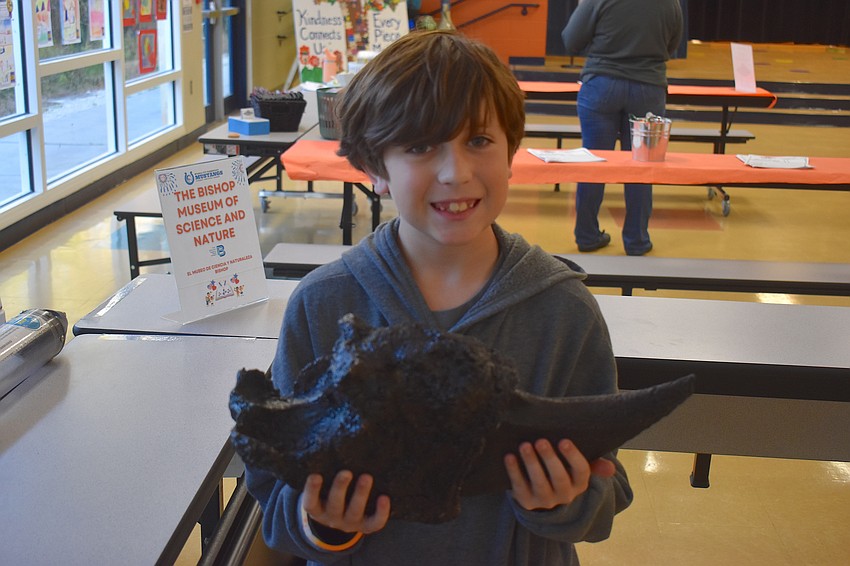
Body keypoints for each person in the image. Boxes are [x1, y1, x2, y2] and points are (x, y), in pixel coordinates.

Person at [246, 30, 633, 565]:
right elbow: (271, 491)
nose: (456, 172)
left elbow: (607, 490)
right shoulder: (323, 305)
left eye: (478, 140)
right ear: (376, 168)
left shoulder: (563, 313)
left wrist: (564, 500)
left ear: (511, 152)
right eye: (420, 146)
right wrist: (323, 522)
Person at [562, 0, 683, 255]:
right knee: (642, 165)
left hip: (601, 85)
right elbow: (672, 45)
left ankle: (587, 235)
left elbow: (570, 39)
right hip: (648, 87)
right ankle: (637, 240)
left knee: (594, 162)